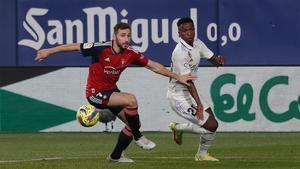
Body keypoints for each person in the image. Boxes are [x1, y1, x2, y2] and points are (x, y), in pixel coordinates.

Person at [35, 22, 195, 163]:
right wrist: (49, 51)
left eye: (129, 35)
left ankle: (116, 156)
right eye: (123, 35)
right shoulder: (101, 48)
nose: (126, 39)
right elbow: (75, 46)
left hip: (111, 91)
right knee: (131, 100)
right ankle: (139, 137)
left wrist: (177, 76)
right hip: (94, 93)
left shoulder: (130, 53)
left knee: (133, 124)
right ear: (115, 36)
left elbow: (153, 65)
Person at [167, 17, 224, 161]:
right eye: (185, 30)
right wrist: (198, 104)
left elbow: (210, 57)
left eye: (191, 29)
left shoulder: (198, 43)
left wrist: (218, 61)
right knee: (212, 125)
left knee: (212, 122)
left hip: (189, 92)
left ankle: (201, 155)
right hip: (178, 96)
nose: (189, 33)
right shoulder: (179, 52)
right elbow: (188, 82)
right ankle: (178, 127)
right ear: (179, 33)